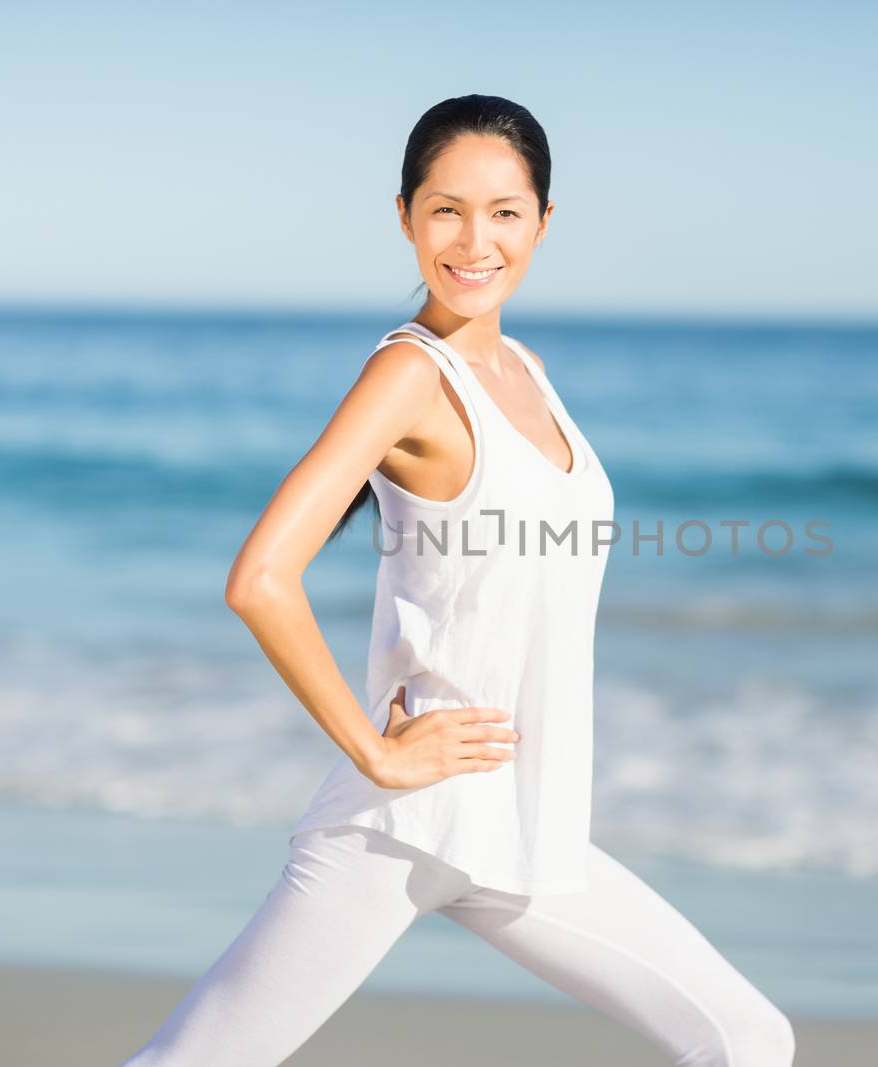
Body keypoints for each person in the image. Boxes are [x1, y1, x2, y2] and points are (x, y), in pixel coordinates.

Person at [118, 94, 796, 1067]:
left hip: (522, 827)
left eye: (505, 212)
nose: (475, 239)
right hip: (406, 823)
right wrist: (378, 754)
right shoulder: (410, 372)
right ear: (404, 216)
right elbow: (260, 577)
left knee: (744, 1035)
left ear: (544, 223)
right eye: (445, 209)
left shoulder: (524, 366)